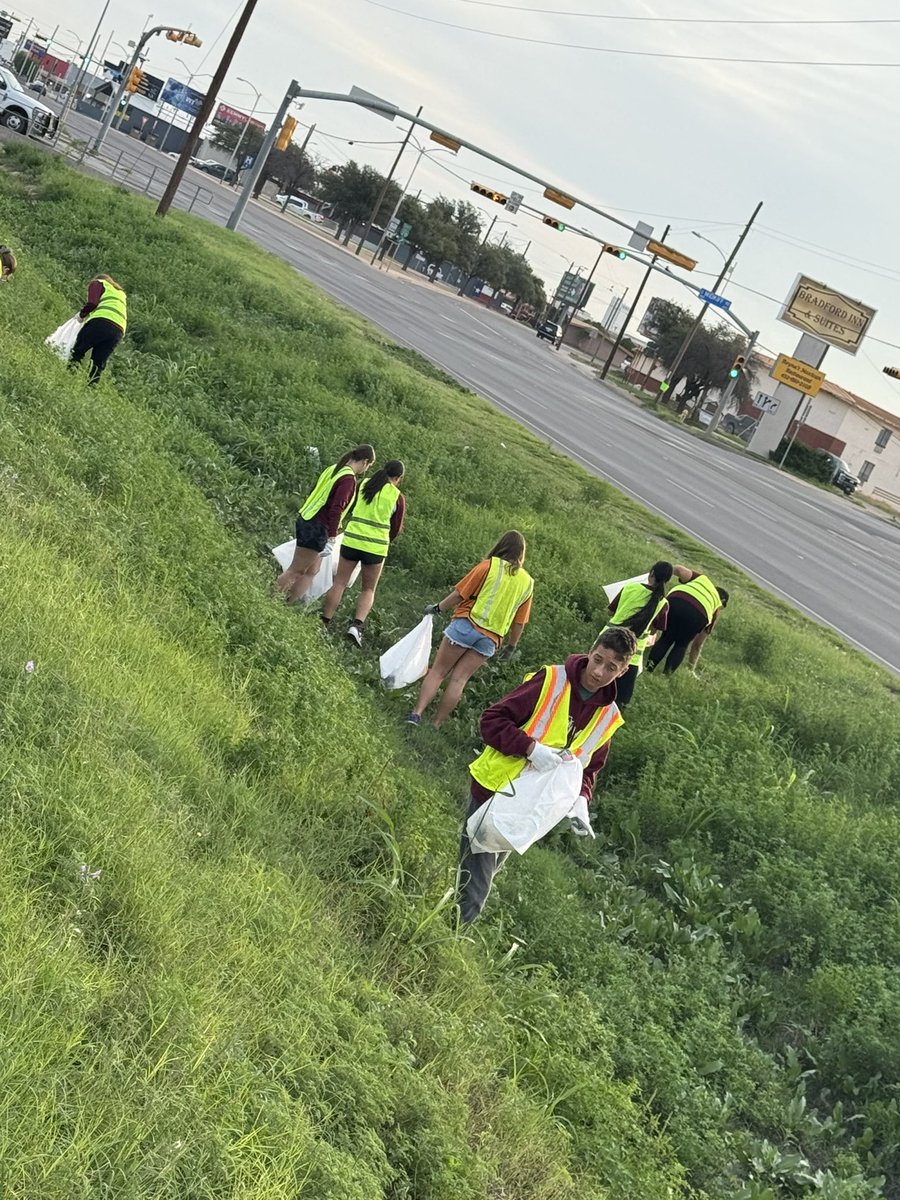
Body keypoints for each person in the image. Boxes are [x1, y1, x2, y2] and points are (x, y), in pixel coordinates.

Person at [457, 626, 637, 924]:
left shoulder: (608, 715)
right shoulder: (553, 681)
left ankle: (445, 922)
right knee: (477, 886)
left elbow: (589, 767)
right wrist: (529, 748)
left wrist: (582, 798)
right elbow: (491, 721)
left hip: (529, 807)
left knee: (482, 872)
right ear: (591, 650)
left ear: (623, 670)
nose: (598, 672)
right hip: (494, 790)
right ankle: (450, 939)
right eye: (597, 659)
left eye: (611, 668)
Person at [406, 530, 534, 729]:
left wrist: (438, 608)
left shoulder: (488, 566)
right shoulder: (527, 583)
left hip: (466, 624)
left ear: (501, 545)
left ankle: (416, 714)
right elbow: (520, 621)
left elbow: (459, 595)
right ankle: (437, 724)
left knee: (438, 671)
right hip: (490, 639)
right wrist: (511, 646)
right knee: (459, 680)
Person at [320, 459, 406, 646]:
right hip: (375, 548)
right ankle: (357, 627)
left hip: (352, 540)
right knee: (368, 589)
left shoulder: (364, 485)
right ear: (398, 478)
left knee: (340, 582)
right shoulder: (397, 496)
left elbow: (350, 507)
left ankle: (325, 621)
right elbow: (396, 528)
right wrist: (384, 540)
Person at [275, 445, 375, 604]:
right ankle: (270, 599)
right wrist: (332, 537)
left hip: (308, 518)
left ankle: (289, 603)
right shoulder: (348, 479)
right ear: (364, 462)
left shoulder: (335, 469)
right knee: (296, 569)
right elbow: (336, 509)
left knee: (313, 570)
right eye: (369, 465)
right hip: (318, 526)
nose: (367, 469)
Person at [603, 560, 673, 706]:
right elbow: (654, 630)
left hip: (605, 642)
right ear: (667, 581)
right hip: (631, 657)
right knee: (619, 703)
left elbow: (611, 611)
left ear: (651, 573)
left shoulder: (630, 587)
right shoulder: (663, 604)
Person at [646, 564, 729, 676]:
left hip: (676, 599)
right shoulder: (715, 606)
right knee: (681, 645)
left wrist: (660, 579)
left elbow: (678, 569)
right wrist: (691, 669)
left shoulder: (702, 579)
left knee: (666, 638)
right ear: (722, 601)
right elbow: (697, 645)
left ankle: (648, 668)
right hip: (699, 613)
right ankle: (665, 675)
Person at [70, 275, 127, 383]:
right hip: (118, 330)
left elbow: (92, 303)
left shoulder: (98, 282)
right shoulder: (120, 293)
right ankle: (91, 388)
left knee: (79, 350)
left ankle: (69, 375)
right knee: (99, 363)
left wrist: (82, 314)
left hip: (101, 321)